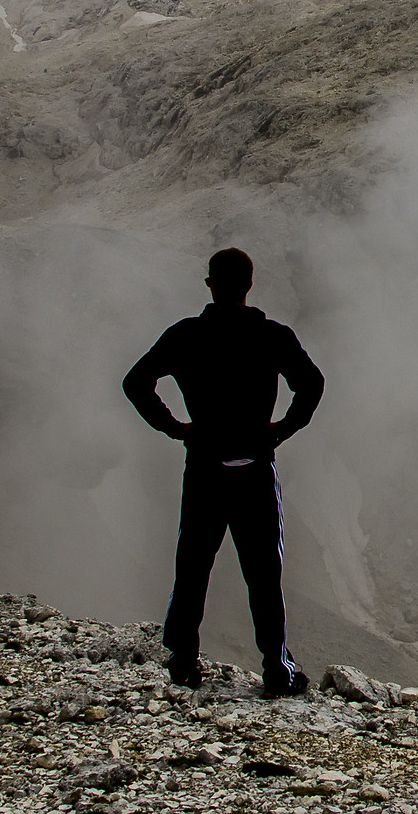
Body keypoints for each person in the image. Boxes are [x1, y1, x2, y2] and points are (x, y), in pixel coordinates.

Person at [122, 247, 325, 695]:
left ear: (210, 284)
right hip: (254, 466)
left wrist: (175, 427)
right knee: (263, 572)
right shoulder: (273, 336)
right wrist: (282, 429)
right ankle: (276, 667)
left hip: (204, 467)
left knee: (192, 565)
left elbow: (135, 383)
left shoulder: (186, 335)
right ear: (249, 285)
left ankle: (182, 660)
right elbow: (312, 383)